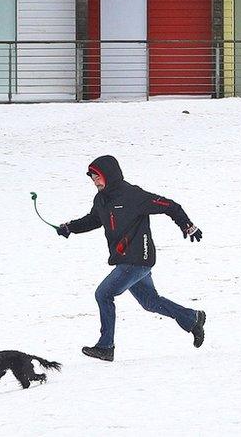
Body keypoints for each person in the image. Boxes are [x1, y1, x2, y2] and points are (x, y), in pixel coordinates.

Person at [58, 155, 206, 361]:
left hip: (137, 258)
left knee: (103, 294)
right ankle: (192, 318)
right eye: (92, 178)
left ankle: (106, 346)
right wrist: (70, 227)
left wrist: (186, 224)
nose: (95, 181)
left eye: (98, 176)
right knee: (150, 301)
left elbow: (170, 205)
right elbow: (93, 220)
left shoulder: (133, 195)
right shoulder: (101, 200)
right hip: (125, 259)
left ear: (109, 175)